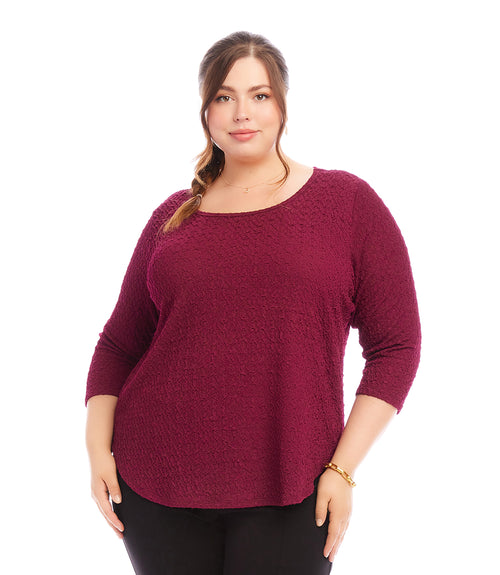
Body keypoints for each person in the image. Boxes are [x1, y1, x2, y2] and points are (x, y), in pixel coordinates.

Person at [85, 31, 421, 575]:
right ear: (206, 111)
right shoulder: (173, 217)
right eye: (224, 96)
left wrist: (342, 470)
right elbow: (119, 343)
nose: (242, 112)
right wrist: (97, 451)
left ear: (283, 105)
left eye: (259, 95)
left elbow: (396, 347)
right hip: (155, 481)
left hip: (295, 483)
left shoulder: (347, 203)